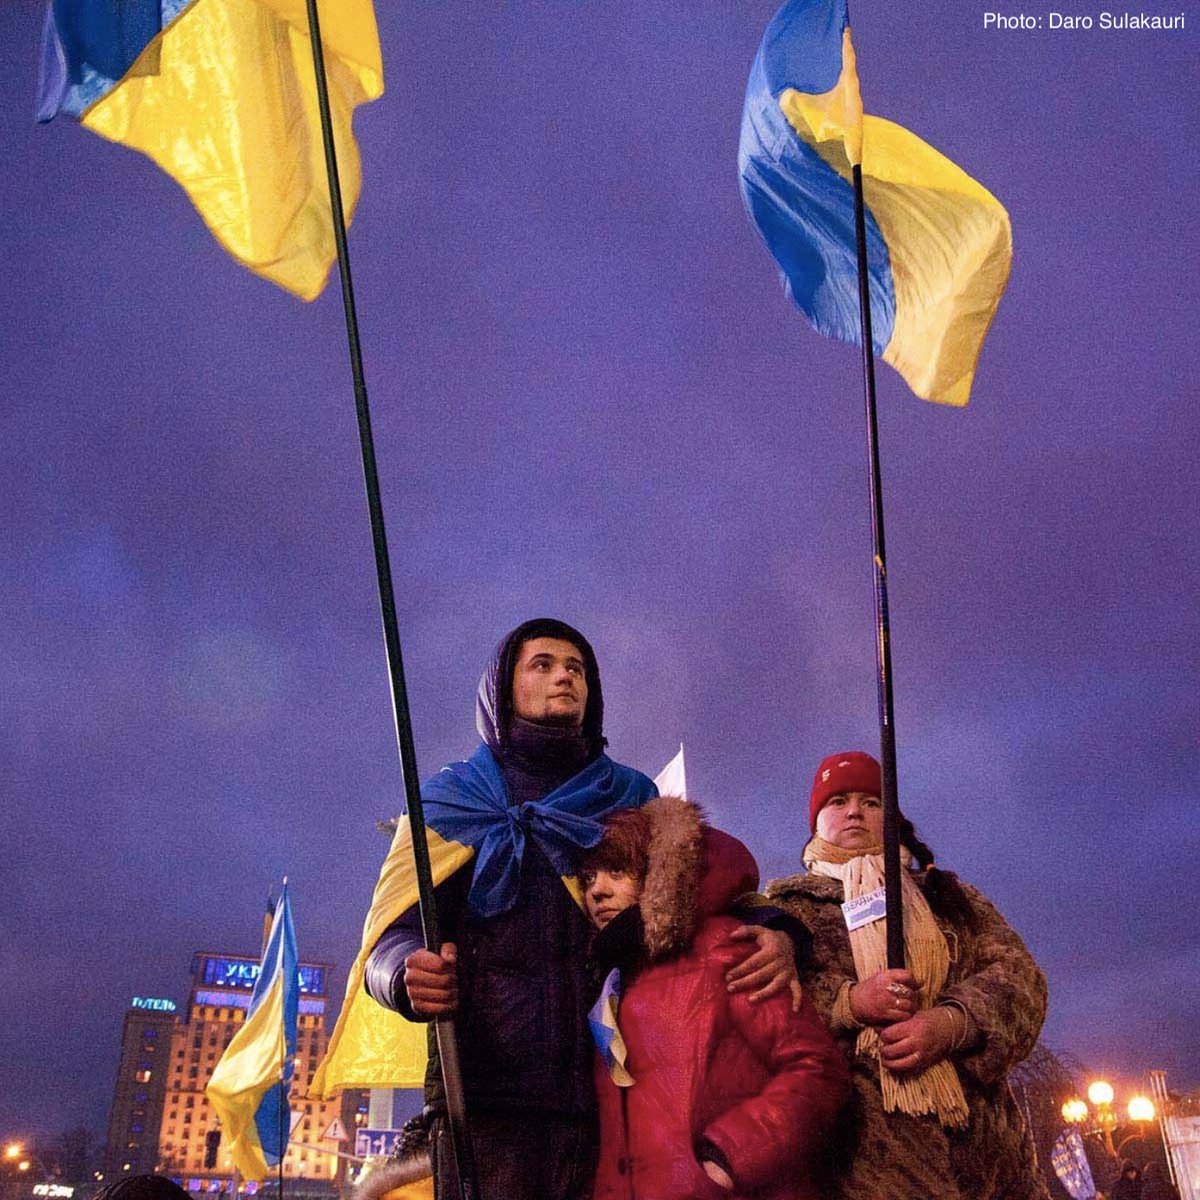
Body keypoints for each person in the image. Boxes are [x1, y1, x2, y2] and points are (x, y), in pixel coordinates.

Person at [361, 619, 799, 1200]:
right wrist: (403, 974)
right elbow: (391, 936)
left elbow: (712, 879)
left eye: (577, 668)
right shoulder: (449, 801)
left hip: (612, 1093)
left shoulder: (630, 797)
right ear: (502, 687)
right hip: (483, 1101)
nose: (564, 676)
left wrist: (780, 929)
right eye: (542, 664)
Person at [766, 750, 1052, 1200]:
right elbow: (772, 1008)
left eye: (871, 801)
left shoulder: (947, 896)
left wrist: (952, 1023)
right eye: (837, 801)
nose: (855, 810)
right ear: (816, 820)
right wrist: (851, 1002)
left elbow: (1020, 977)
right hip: (860, 1166)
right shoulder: (785, 911)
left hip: (992, 1168)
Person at [582, 797, 850, 1200]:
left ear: (655, 872)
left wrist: (725, 1158)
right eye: (588, 879)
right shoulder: (613, 982)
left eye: (617, 872)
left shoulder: (725, 945)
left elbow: (816, 1069)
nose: (598, 891)